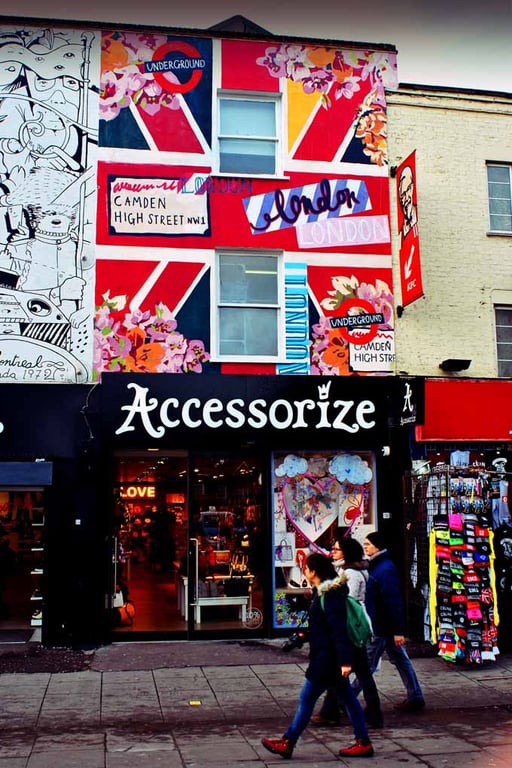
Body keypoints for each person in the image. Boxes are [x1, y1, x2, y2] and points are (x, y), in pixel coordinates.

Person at [261, 553, 374, 760]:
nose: (304, 571)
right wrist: (302, 637)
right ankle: (363, 741)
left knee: (307, 699)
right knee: (348, 699)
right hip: (329, 658)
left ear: (314, 572)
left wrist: (345, 661)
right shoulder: (323, 594)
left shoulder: (329, 597)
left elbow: (338, 630)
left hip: (327, 660)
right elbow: (323, 627)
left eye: (306, 568)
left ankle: (288, 741)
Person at [312, 533, 383, 729]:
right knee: (361, 671)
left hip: (351, 625)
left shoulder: (350, 574)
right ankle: (366, 712)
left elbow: (346, 600)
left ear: (346, 552)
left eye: (336, 549)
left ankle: (331, 711)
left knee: (344, 670)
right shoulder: (353, 570)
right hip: (357, 624)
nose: (332, 552)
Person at [354, 530, 425, 712]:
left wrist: (398, 631)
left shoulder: (385, 568)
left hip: (381, 626)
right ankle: (415, 696)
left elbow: (393, 601)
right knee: (400, 660)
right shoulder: (377, 565)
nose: (365, 546)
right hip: (383, 625)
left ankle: (344, 698)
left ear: (378, 546)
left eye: (368, 544)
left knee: (367, 665)